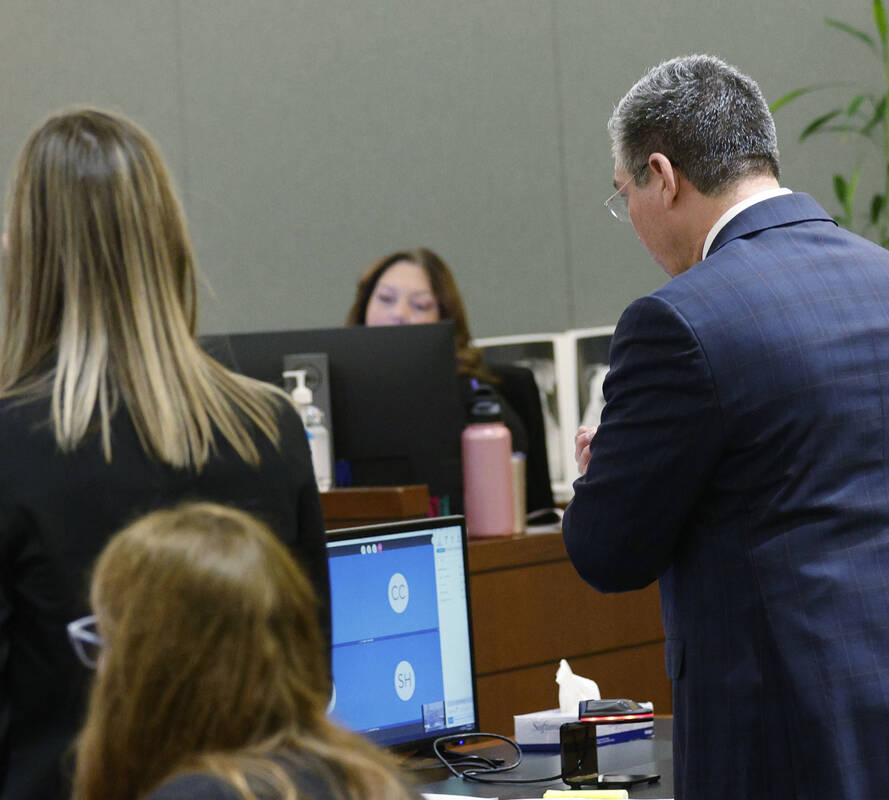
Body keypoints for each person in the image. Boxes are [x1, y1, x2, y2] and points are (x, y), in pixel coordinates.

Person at [562, 54, 889, 800]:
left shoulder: (678, 321)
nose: (632, 219)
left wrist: (598, 474)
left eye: (626, 194)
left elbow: (610, 553)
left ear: (664, 176)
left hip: (793, 749)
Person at [0, 109, 329, 800]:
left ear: (24, 256)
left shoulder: (12, 444)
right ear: (168, 240)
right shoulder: (269, 426)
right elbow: (311, 675)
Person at [72, 503, 411, 800]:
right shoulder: (373, 778)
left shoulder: (196, 795)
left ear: (158, 666)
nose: (100, 665)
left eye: (106, 640)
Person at [348, 247, 556, 516]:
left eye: (420, 305)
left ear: (443, 317)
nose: (398, 313)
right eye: (385, 299)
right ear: (364, 305)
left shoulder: (472, 390)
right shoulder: (336, 391)